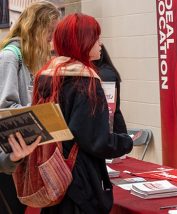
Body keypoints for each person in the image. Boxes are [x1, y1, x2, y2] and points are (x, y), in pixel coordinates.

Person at [32, 13, 133, 213]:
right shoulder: (85, 81)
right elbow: (95, 140)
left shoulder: (45, 76)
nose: (100, 44)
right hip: (79, 182)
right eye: (96, 38)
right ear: (83, 42)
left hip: (52, 175)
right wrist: (126, 141)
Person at [0, 1, 60, 213]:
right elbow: (6, 110)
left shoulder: (31, 58)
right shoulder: (10, 56)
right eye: (50, 32)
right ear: (35, 28)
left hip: (21, 156)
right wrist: (43, 113)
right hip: (7, 161)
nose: (51, 39)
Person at [93, 45, 127, 134]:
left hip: (112, 130)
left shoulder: (105, 74)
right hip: (107, 129)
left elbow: (109, 110)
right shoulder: (99, 71)